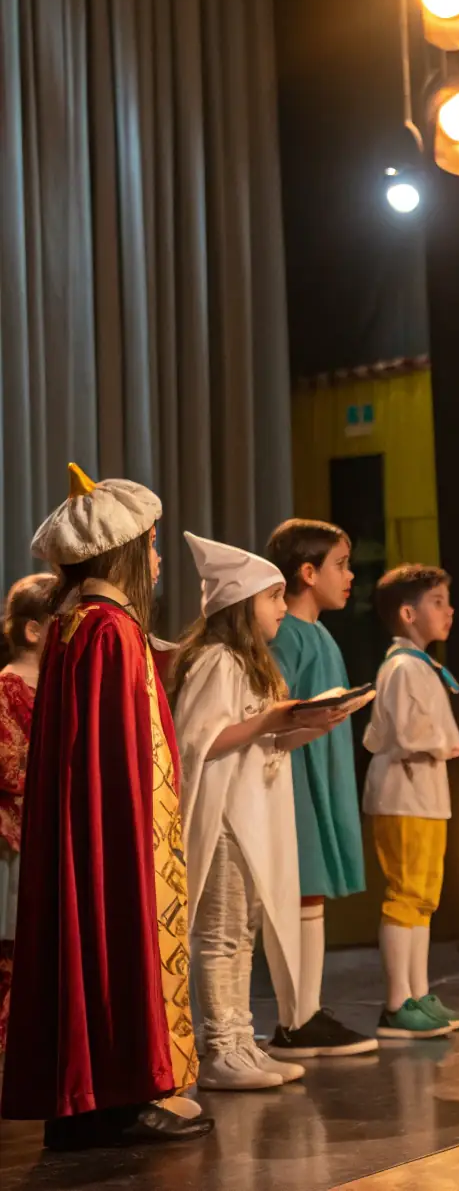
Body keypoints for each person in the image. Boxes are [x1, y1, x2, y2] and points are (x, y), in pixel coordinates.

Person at [1, 464, 212, 1149]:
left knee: (80, 935)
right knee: (116, 928)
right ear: (121, 549)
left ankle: (90, 1094)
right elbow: (126, 760)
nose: (154, 558)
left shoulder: (74, 623)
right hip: (114, 828)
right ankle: (123, 1089)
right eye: (148, 545)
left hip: (83, 824)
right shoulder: (110, 628)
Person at [171, 532, 368, 1091]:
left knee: (244, 931)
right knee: (222, 933)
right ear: (241, 605)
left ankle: (241, 1040)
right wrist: (271, 720)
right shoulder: (215, 660)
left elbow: (260, 742)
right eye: (273, 598)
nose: (283, 609)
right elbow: (201, 741)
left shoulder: (250, 664)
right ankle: (219, 1048)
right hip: (228, 816)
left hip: (253, 815)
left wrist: (306, 725)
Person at [263, 519, 377, 1059]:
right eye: (340, 565)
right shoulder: (284, 633)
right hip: (291, 774)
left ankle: (306, 1011)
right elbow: (269, 707)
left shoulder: (319, 632)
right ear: (307, 573)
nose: (349, 576)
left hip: (317, 764)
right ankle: (295, 1017)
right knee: (296, 888)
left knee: (310, 891)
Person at [363, 564, 459, 1039]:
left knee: (423, 898)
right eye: (437, 602)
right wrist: (441, 745)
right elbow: (405, 731)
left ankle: (419, 994)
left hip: (425, 794)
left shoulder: (421, 665)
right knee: (404, 896)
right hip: (403, 792)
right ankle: (395, 1003)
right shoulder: (404, 667)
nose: (448, 611)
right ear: (408, 613)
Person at [0, 574, 53, 1052]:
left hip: (50, 832)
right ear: (34, 630)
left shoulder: (60, 687)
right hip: (16, 835)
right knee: (11, 940)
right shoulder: (7, 688)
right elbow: (9, 764)